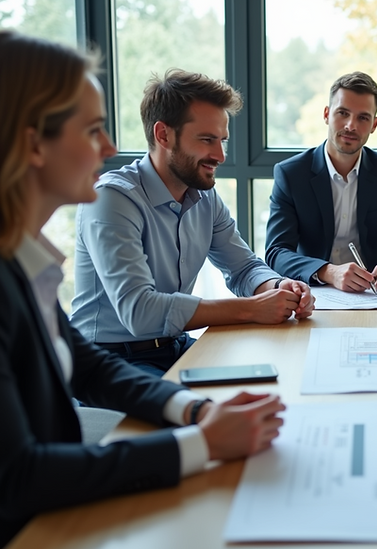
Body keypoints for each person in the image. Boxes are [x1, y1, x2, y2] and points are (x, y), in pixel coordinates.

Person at [0, 31, 284, 549]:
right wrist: (200, 443)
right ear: (33, 142)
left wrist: (194, 411)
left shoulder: (12, 260)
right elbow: (14, 476)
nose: (107, 148)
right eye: (93, 130)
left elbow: (90, 366)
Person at [70, 69, 314, 376]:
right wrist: (252, 308)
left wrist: (279, 287)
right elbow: (139, 311)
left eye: (222, 140)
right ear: (163, 135)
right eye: (207, 140)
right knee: (207, 416)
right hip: (110, 362)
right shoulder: (112, 199)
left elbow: (244, 267)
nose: (221, 155)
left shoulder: (204, 197)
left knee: (271, 378)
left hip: (174, 346)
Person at [265, 71, 377, 293]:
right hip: (313, 291)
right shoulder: (291, 173)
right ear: (326, 114)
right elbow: (277, 251)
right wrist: (329, 272)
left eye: (363, 117)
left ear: (374, 124)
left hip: (372, 293)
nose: (351, 126)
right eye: (343, 113)